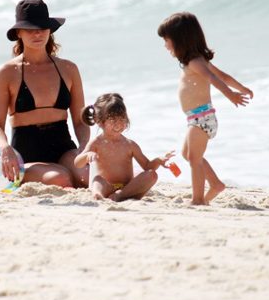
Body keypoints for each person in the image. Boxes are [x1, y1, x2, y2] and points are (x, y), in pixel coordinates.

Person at [158, 12, 253, 205]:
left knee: (194, 159)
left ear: (180, 40)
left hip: (201, 118)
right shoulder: (196, 61)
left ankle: (198, 199)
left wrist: (232, 95)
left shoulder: (195, 62)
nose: (165, 45)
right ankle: (216, 184)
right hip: (197, 118)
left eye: (167, 40)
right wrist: (240, 87)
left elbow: (215, 79)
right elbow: (223, 76)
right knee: (189, 155)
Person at [0, 0, 89, 188]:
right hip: (26, 152)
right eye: (30, 29)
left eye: (42, 28)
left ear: (49, 30)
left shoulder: (68, 68)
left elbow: (80, 120)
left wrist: (84, 146)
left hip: (64, 148)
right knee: (60, 179)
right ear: (18, 32)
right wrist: (5, 148)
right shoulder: (6, 72)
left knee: (86, 175)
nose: (37, 33)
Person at [74, 93, 174, 201]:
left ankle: (120, 195)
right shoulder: (97, 143)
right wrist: (87, 155)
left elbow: (147, 166)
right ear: (99, 121)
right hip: (107, 187)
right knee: (98, 180)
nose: (118, 124)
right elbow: (77, 163)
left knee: (152, 175)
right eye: (113, 120)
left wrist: (158, 161)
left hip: (129, 189)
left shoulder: (129, 145)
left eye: (122, 119)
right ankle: (99, 194)